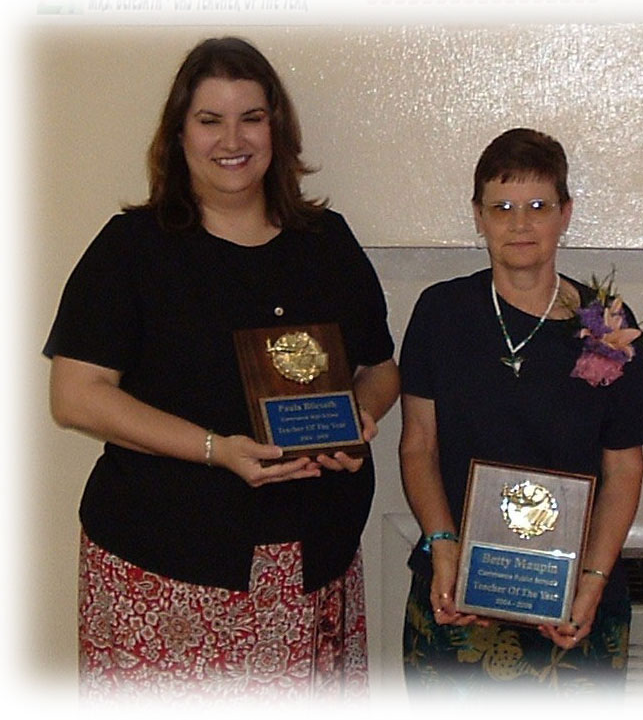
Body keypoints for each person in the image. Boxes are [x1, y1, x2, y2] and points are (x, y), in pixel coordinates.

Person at [44, 36, 400, 699]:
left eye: (251, 117)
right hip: (163, 569)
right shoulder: (132, 250)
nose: (231, 139)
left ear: (278, 129)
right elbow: (76, 395)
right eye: (210, 120)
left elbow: (380, 370)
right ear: (178, 133)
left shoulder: (329, 245)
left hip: (309, 567)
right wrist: (217, 450)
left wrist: (359, 415)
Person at [399, 128, 643, 695]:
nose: (521, 224)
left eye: (539, 206)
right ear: (478, 216)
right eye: (503, 207)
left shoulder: (606, 324)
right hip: (458, 586)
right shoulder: (441, 311)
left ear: (566, 214)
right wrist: (443, 547)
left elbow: (625, 469)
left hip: (574, 600)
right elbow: (419, 444)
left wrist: (591, 581)